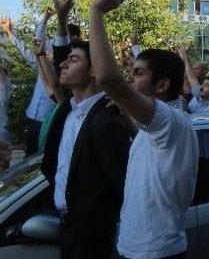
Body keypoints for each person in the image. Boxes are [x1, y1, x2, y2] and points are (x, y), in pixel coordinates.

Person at [88, 0, 199, 259]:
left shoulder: (169, 120)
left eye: (137, 73)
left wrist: (96, 12)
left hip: (154, 253)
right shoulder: (160, 127)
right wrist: (126, 114)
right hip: (136, 248)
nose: (130, 79)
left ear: (161, 85)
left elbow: (107, 78)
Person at [40, 39, 131, 259]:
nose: (63, 64)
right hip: (67, 227)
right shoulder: (67, 112)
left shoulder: (109, 119)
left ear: (93, 70)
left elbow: (121, 185)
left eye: (73, 60)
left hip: (93, 235)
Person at [1, 15, 56, 155]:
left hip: (47, 123)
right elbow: (32, 43)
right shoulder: (40, 68)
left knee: (45, 157)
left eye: (50, 49)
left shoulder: (62, 74)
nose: (45, 51)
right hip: (31, 120)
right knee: (30, 156)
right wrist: (9, 32)